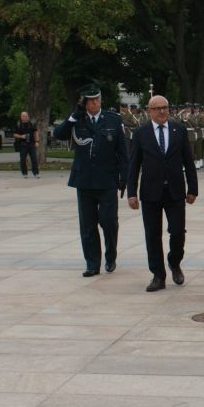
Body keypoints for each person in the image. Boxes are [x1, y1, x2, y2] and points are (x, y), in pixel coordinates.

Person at [53, 84, 129, 277]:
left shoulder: (113, 119)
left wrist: (124, 177)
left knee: (109, 221)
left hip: (107, 179)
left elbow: (123, 152)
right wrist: (73, 116)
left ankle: (110, 256)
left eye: (98, 99)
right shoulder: (76, 120)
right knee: (88, 225)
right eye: (92, 100)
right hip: (85, 180)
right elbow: (59, 134)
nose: (96, 102)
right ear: (84, 102)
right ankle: (92, 263)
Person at [126, 95, 198, 292]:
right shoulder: (141, 133)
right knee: (152, 235)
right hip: (150, 192)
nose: (162, 111)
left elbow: (188, 162)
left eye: (164, 107)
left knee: (177, 231)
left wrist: (193, 188)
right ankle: (158, 274)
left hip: (175, 191)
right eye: (157, 108)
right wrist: (131, 192)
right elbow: (133, 165)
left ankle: (174, 262)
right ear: (150, 111)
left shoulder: (179, 131)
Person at [14, 111, 40, 178]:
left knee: (34, 159)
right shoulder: (18, 124)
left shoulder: (32, 123)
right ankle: (24, 173)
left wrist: (37, 141)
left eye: (26, 116)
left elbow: (36, 132)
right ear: (21, 117)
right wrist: (21, 136)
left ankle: (36, 173)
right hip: (22, 144)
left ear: (28, 116)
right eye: (23, 116)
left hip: (31, 144)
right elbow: (15, 134)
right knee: (23, 160)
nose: (25, 117)